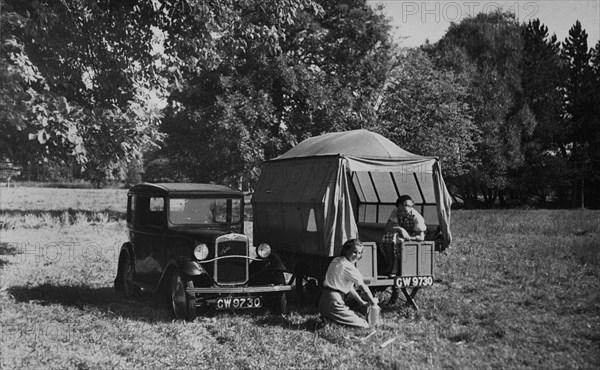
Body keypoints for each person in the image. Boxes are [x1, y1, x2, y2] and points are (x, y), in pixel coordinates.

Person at [319, 239, 379, 328]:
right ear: (346, 250)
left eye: (359, 253)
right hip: (334, 302)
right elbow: (363, 287)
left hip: (324, 300)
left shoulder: (337, 260)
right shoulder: (347, 266)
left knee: (338, 322)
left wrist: (362, 302)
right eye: (354, 252)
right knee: (365, 325)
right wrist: (373, 302)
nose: (357, 256)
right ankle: (332, 319)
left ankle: (329, 320)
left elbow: (349, 288)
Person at [382, 195, 427, 276]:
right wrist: (400, 229)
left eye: (409, 206)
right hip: (403, 233)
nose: (406, 208)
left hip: (414, 237)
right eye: (404, 205)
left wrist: (409, 238)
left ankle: (395, 269)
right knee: (388, 237)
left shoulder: (416, 216)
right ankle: (390, 264)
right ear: (399, 205)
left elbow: (421, 237)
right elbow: (388, 227)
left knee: (398, 241)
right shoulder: (396, 211)